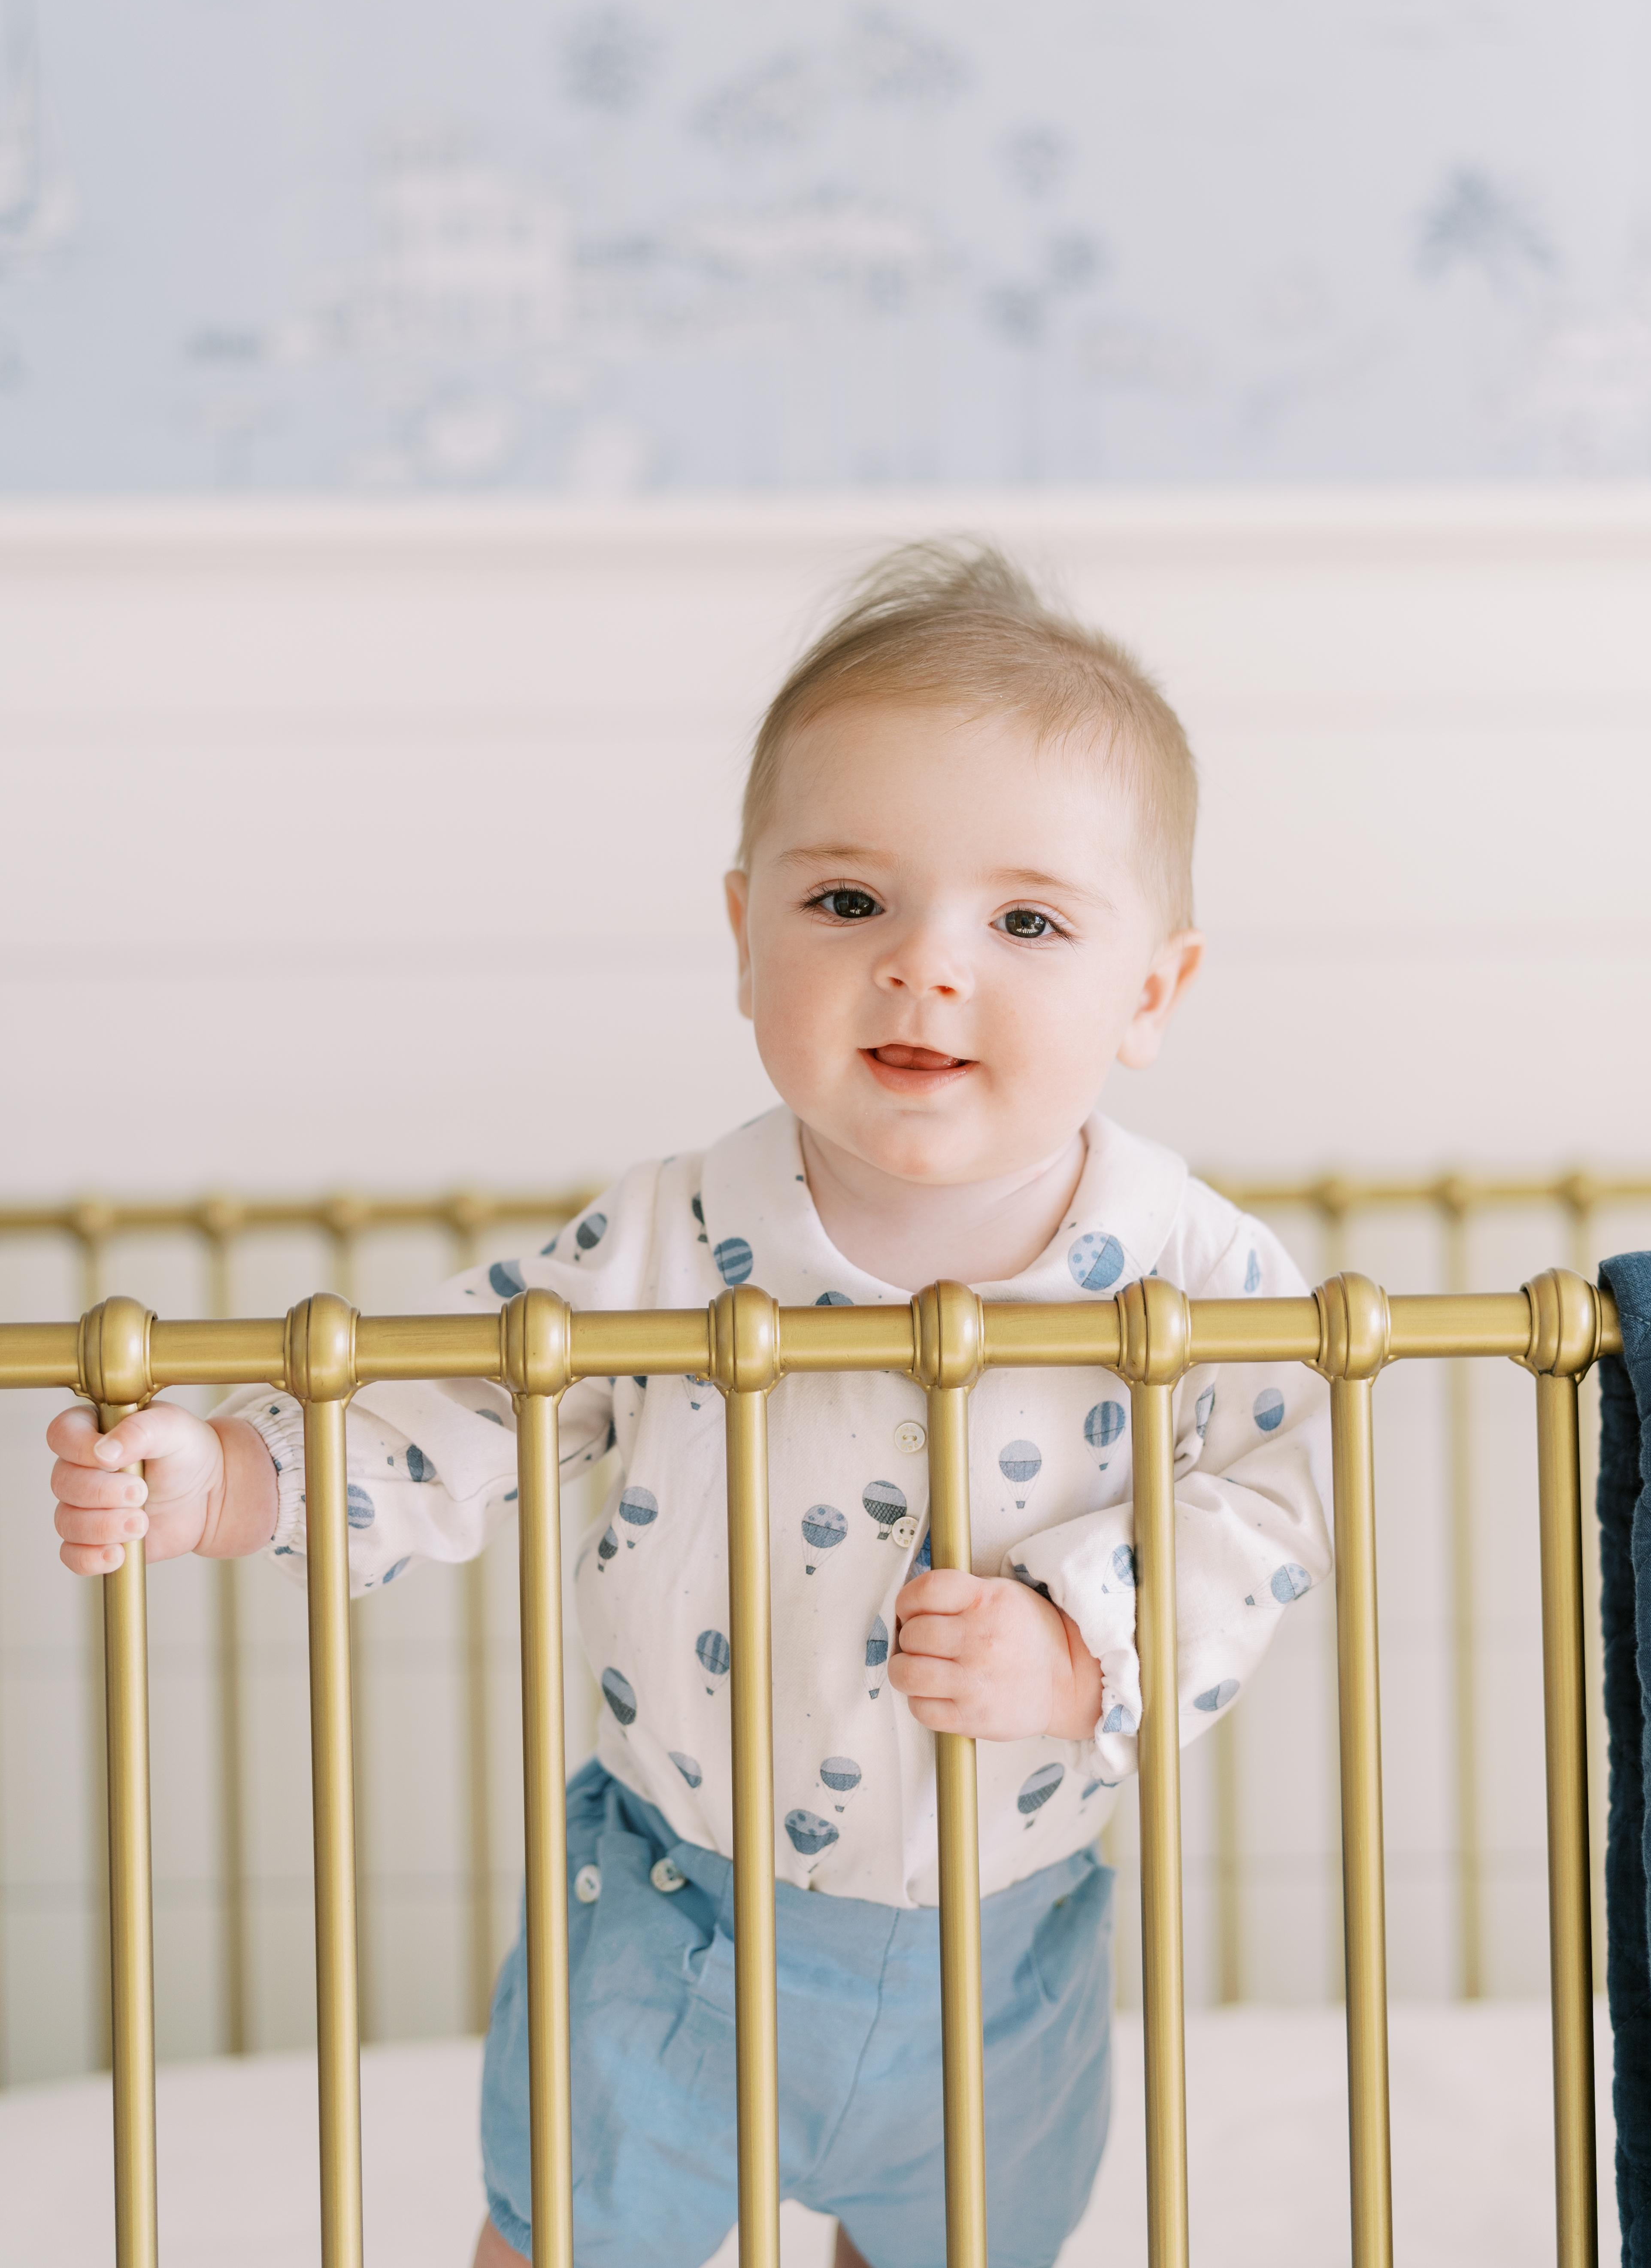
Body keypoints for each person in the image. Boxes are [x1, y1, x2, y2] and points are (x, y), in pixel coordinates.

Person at [46, 541, 1333, 2268]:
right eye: (848, 901)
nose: (924, 968)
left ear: (1152, 992)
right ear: (746, 935)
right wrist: (229, 1477)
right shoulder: (673, 1235)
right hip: (674, 1927)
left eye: (1024, 921)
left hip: (1003, 1950)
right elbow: (462, 1402)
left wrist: (1090, 1633)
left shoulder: (1189, 1267)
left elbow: (1280, 1495)